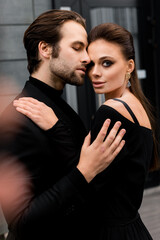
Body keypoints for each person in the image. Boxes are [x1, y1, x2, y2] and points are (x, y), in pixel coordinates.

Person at [14, 22, 160, 239]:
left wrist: (56, 129)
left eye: (107, 63)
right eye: (92, 64)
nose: (95, 73)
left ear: (130, 66)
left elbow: (91, 184)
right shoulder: (136, 104)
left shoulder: (111, 110)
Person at [0, 10, 126, 240]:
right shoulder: (19, 119)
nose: (87, 58)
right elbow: (21, 223)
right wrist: (84, 171)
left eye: (85, 48)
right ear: (45, 49)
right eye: (77, 47)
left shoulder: (58, 108)